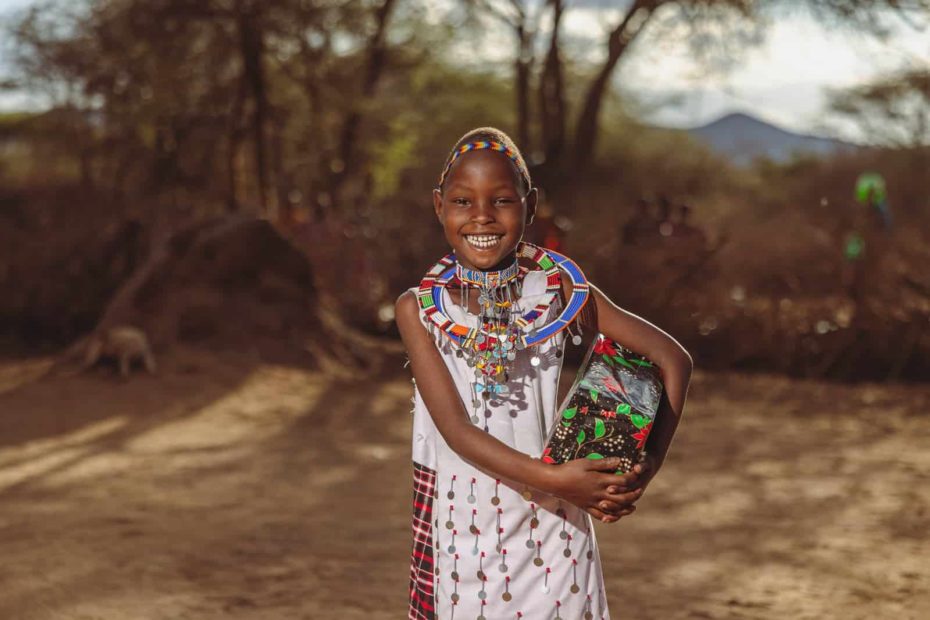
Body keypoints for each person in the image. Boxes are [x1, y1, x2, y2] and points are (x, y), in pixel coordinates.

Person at [395, 127, 693, 619]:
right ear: (437, 206)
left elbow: (672, 360)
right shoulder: (419, 309)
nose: (482, 216)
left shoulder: (562, 294)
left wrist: (644, 468)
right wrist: (559, 481)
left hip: (558, 531)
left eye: (503, 201)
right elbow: (454, 431)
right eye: (463, 201)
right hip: (464, 525)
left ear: (530, 206)